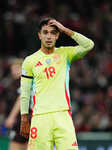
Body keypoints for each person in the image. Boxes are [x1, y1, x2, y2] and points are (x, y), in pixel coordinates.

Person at [20, 17, 94, 150]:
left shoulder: (65, 54)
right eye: (45, 32)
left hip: (63, 115)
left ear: (57, 35)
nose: (49, 36)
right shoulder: (29, 61)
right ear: (39, 35)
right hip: (40, 117)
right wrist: (24, 119)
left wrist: (65, 29)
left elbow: (89, 45)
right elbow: (25, 93)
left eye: (53, 33)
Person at [5, 58, 28, 150]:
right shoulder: (17, 82)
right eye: (12, 70)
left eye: (16, 69)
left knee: (15, 145)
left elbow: (21, 98)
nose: (13, 72)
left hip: (22, 120)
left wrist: (11, 117)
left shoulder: (23, 80)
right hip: (26, 119)